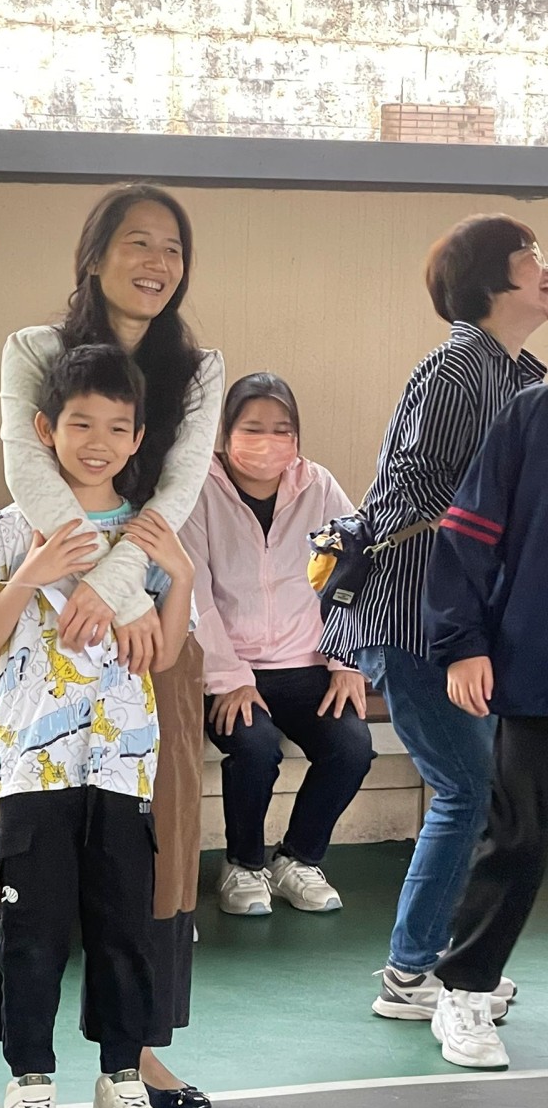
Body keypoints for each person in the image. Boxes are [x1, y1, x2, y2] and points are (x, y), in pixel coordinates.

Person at [0, 183, 225, 1108]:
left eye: (172, 246)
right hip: (42, 627)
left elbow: (177, 492)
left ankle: (135, 1056)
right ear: (94, 254)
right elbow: (26, 471)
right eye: (138, 242)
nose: (157, 261)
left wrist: (134, 595)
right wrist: (100, 590)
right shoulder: (35, 350)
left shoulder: (197, 369)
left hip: (143, 637)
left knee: (148, 856)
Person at [0, 344, 194, 1108]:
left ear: (139, 440)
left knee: (124, 931)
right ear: (44, 430)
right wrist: (30, 573)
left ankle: (121, 1083)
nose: (99, 442)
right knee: (31, 937)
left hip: (123, 768)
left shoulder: (147, 532)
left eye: (117, 428)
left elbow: (164, 655)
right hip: (33, 769)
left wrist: (180, 578)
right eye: (81, 424)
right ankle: (29, 1087)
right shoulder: (9, 528)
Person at [319, 216, 547, 1020]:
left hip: (458, 622)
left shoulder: (519, 373)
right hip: (417, 613)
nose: (545, 266)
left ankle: (438, 965)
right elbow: (417, 495)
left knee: (477, 791)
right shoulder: (457, 370)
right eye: (531, 255)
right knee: (468, 788)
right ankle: (414, 972)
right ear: (490, 277)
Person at [181, 373, 373, 917]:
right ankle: (243, 865)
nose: (267, 441)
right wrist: (229, 679)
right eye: (252, 428)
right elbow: (194, 594)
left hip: (306, 662)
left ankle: (298, 859)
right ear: (225, 432)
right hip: (228, 669)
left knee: (351, 747)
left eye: (281, 429)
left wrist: (345, 661)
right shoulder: (198, 490)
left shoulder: (318, 486)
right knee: (254, 747)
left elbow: (351, 574)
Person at [424, 352, 548, 1069]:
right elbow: (467, 534)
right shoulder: (530, 413)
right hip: (536, 668)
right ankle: (465, 988)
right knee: (520, 837)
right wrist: (462, 643)